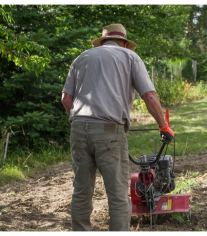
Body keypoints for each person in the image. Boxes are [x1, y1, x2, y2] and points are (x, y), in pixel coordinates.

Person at [61, 23, 174, 231]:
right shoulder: (129, 57)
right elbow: (149, 96)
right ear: (124, 43)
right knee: (118, 195)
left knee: (81, 192)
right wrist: (163, 126)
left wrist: (81, 123)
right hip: (109, 131)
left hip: (78, 128)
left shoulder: (82, 58)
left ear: (103, 41)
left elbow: (66, 99)